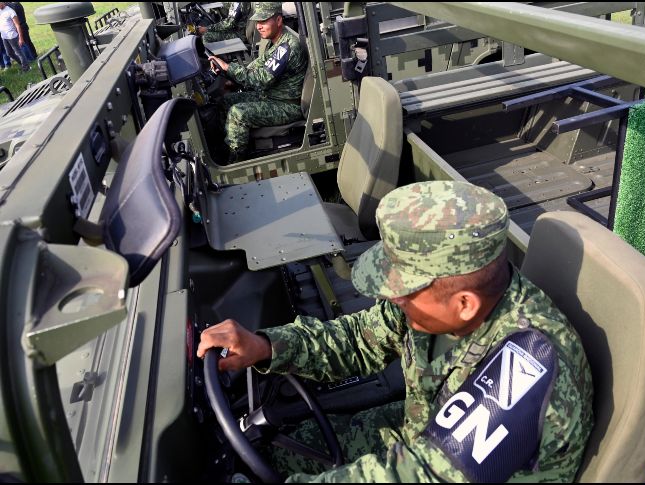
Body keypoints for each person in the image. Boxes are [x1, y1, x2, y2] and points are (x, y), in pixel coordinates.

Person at [197, 180, 594, 482]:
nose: (394, 301)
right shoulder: (429, 307)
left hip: (436, 468)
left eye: (403, 292)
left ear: (465, 304)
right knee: (277, 450)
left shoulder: (527, 365)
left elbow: (422, 474)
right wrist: (266, 345)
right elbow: (356, 340)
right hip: (416, 436)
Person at [207, 2, 308, 163]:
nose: (259, 26)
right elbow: (255, 67)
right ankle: (224, 148)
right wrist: (230, 75)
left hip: (286, 105)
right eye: (257, 22)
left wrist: (228, 68)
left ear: (279, 21)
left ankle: (234, 162)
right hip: (271, 96)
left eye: (264, 21)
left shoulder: (287, 47)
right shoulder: (274, 42)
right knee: (225, 101)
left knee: (237, 113)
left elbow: (259, 80)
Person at [0, 2, 27, 72]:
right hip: (4, 37)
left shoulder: (10, 11)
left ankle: (26, 68)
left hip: (12, 36)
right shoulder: (0, 11)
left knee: (19, 52)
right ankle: (22, 63)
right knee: (9, 53)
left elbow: (17, 25)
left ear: (2, 2)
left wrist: (21, 38)